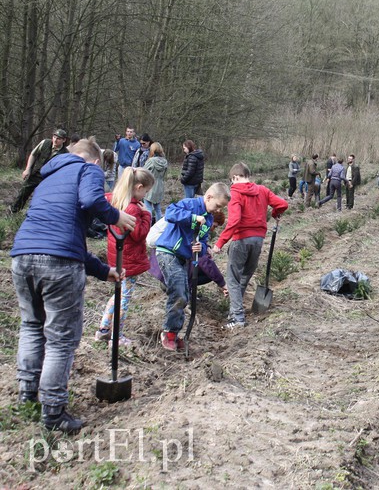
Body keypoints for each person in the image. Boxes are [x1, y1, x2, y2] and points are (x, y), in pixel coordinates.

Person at [11, 138, 136, 433]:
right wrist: (118, 217)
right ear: (95, 160)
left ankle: (28, 395)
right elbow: (92, 201)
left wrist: (103, 271)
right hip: (58, 265)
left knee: (31, 326)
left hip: (22, 256)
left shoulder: (49, 176)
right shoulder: (88, 169)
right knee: (61, 339)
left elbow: (67, 239)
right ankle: (53, 412)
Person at [212, 163, 287, 329]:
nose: (232, 184)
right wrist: (274, 214)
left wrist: (220, 242)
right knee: (244, 276)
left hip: (241, 240)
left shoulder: (235, 194)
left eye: (232, 181)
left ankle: (238, 318)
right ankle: (234, 311)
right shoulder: (262, 190)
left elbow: (235, 220)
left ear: (235, 177)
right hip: (258, 240)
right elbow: (282, 204)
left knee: (232, 279)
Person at [155, 183, 230, 350]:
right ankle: (168, 333)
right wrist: (192, 218)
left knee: (184, 294)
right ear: (209, 197)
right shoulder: (190, 204)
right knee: (180, 293)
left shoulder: (209, 218)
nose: (217, 210)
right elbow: (170, 213)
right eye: (217, 206)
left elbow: (203, 242)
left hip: (183, 257)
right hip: (168, 252)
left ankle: (174, 334)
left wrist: (201, 248)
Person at [95, 167, 154, 346]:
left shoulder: (115, 200)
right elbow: (139, 234)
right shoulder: (134, 208)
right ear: (138, 187)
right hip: (128, 260)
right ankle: (116, 336)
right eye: (146, 191)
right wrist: (147, 215)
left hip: (118, 257)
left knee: (117, 294)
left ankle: (104, 329)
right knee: (124, 300)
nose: (145, 195)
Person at [148, 210, 229, 295]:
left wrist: (205, 247)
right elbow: (204, 261)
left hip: (161, 263)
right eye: (214, 226)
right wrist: (222, 283)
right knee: (204, 270)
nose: (212, 229)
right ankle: (180, 290)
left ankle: (180, 287)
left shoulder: (189, 219)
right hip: (167, 262)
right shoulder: (191, 226)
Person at [11, 128, 69, 213]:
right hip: (36, 174)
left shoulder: (65, 154)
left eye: (58, 138)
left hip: (49, 179)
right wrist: (27, 169)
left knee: (44, 199)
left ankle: (36, 215)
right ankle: (14, 211)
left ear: (64, 140)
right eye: (54, 137)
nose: (55, 140)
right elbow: (33, 155)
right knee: (23, 192)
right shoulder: (45, 143)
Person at [143, 142, 168, 221]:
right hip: (160, 186)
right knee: (158, 209)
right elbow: (165, 176)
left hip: (150, 186)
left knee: (148, 208)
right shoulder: (165, 161)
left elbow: (143, 172)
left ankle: (148, 227)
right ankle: (157, 227)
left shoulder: (151, 161)